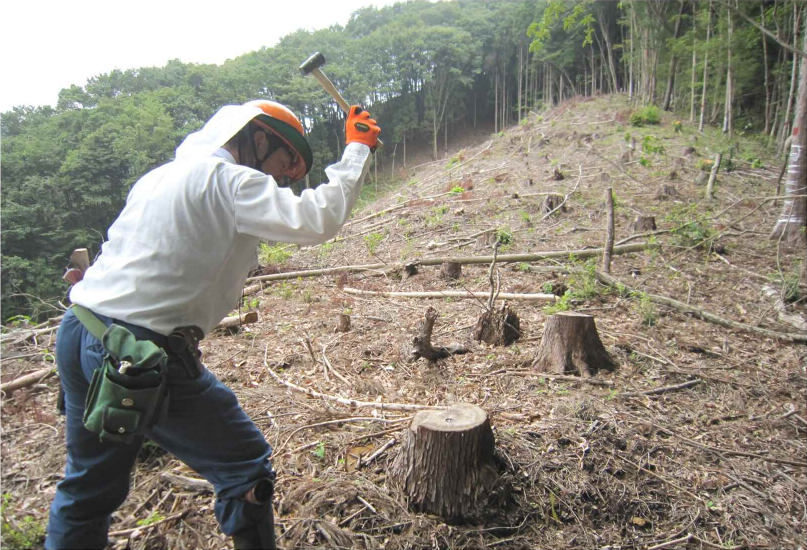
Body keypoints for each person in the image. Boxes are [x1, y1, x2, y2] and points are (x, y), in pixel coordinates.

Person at [45, 100, 380, 550]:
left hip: (80, 328)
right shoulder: (230, 179)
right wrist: (357, 150)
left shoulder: (157, 177)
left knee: (87, 487)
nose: (281, 176)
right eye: (284, 161)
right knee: (245, 466)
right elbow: (317, 219)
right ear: (256, 137)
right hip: (138, 352)